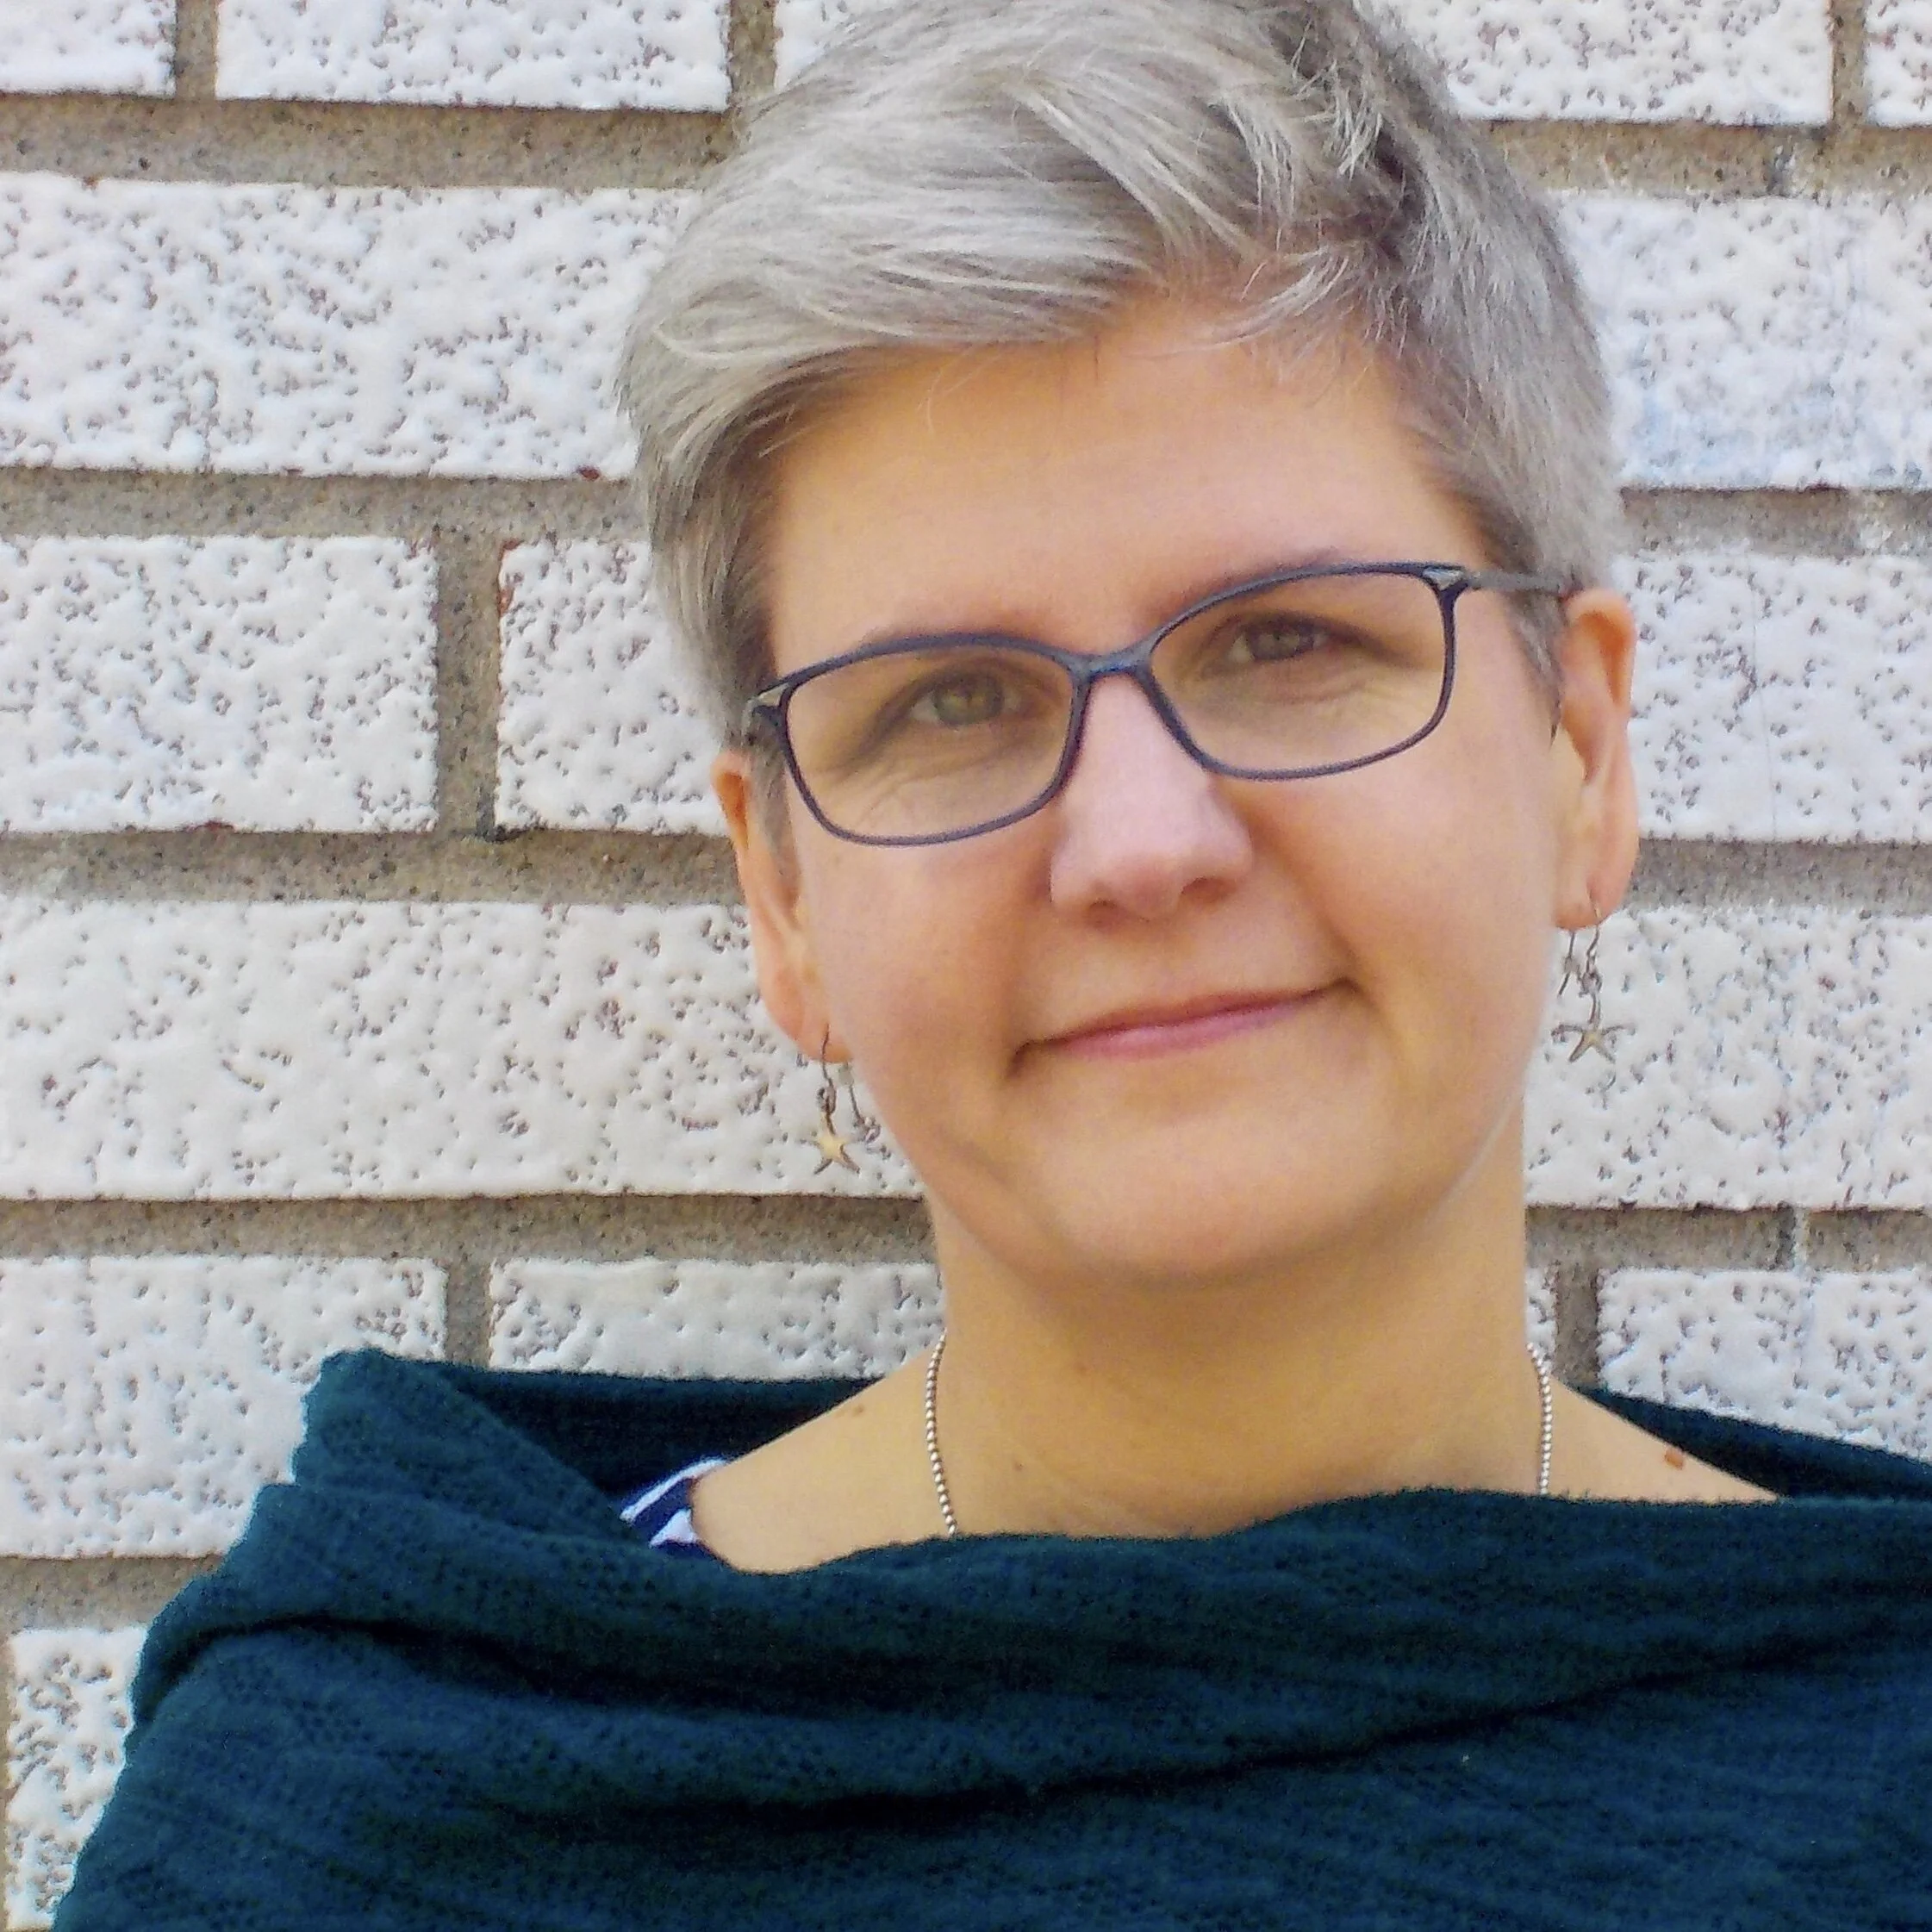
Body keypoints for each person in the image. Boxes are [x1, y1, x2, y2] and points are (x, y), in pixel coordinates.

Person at [56, 2, 1932, 1927]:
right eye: (947, 698)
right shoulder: (371, 1818)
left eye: (1285, 641)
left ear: (1577, 758)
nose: (1138, 844)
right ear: (785, 894)